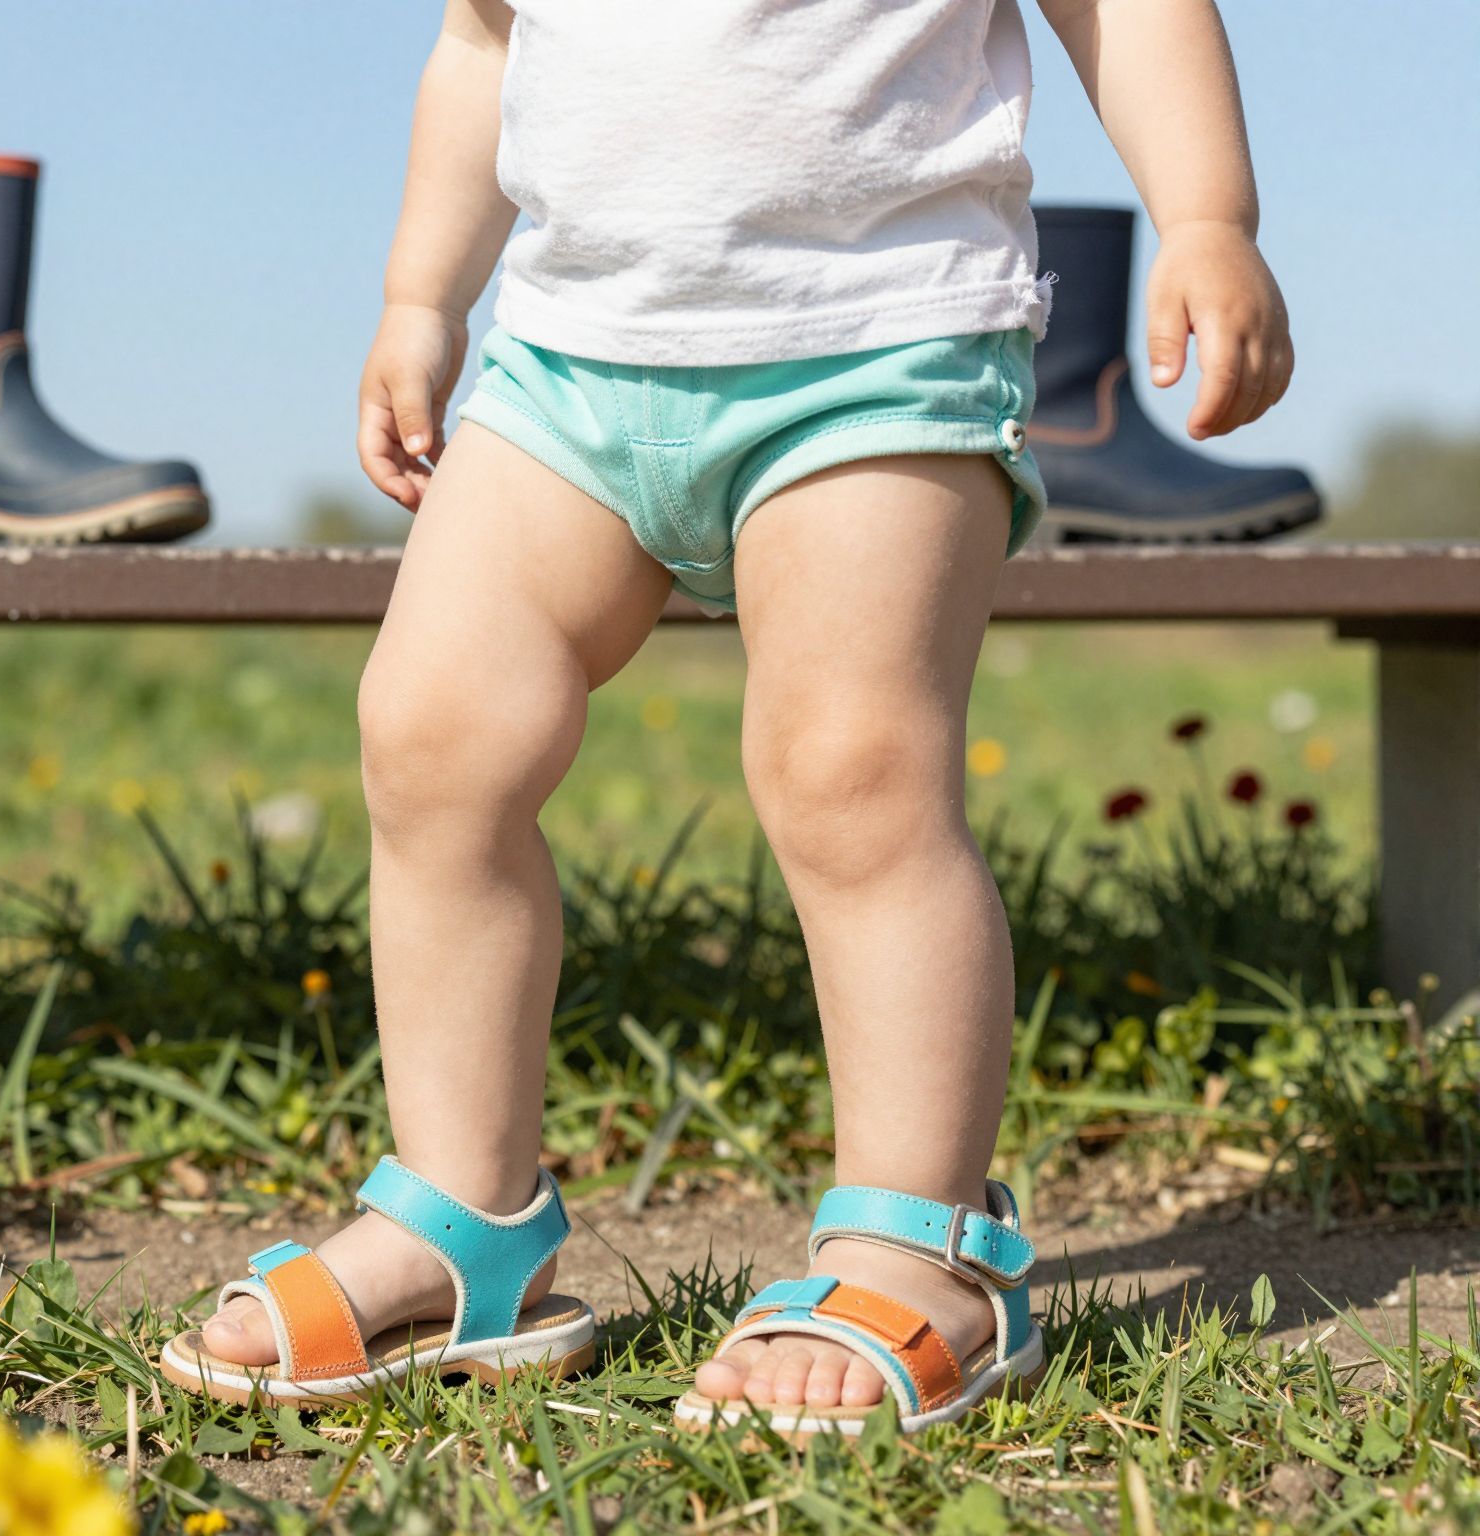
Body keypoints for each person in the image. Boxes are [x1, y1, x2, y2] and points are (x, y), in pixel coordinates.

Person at [159, 0, 1291, 1437]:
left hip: (876, 345)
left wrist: (1207, 215)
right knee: (435, 735)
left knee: (851, 774)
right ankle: (465, 1221)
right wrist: (420, 300)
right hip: (570, 360)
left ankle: (918, 1244)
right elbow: (482, 41)